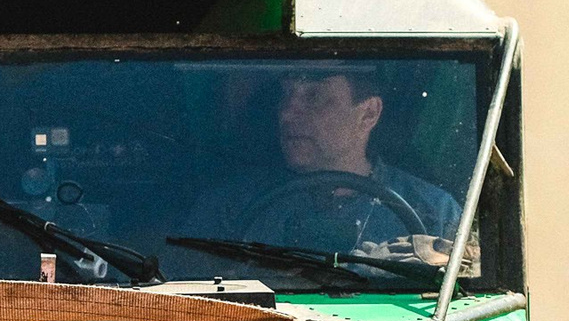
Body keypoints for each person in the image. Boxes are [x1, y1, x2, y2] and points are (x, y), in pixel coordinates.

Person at [190, 67, 464, 264]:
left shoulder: (434, 212)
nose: (286, 113)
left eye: (314, 97)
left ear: (368, 114)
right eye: (285, 96)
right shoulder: (232, 206)